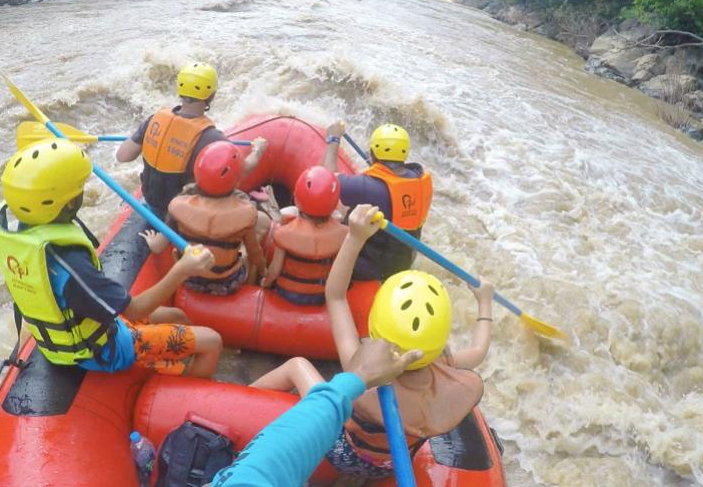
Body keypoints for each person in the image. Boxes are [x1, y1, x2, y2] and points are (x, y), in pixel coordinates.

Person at [0, 138, 223, 378]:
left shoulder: (24, 235)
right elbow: (134, 310)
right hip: (104, 349)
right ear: (71, 202)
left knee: (177, 317)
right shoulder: (72, 266)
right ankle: (188, 388)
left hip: (76, 332)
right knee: (213, 341)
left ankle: (169, 364)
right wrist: (182, 270)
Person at [322, 204, 493, 480]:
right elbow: (479, 350)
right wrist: (484, 301)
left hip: (343, 453)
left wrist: (355, 238)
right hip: (389, 466)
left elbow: (336, 296)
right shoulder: (443, 363)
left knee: (299, 367)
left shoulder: (357, 363)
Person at [211, 338, 423, 487]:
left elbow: (336, 297)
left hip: (340, 448)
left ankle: (239, 402)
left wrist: (359, 375)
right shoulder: (443, 397)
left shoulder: (353, 352)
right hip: (383, 466)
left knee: (297, 365)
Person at [115, 62, 267, 216]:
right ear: (211, 95)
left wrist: (146, 135)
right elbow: (242, 170)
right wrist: (259, 150)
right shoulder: (211, 137)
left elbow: (123, 156)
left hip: (151, 200)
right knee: (251, 206)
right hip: (181, 212)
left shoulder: (155, 120)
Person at [141, 142, 266, 296]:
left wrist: (152, 240)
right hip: (228, 283)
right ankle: (252, 289)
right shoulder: (247, 214)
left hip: (189, 280)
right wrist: (263, 270)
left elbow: (158, 247)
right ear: (237, 181)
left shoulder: (178, 206)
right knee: (246, 253)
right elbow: (255, 253)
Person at [322, 122, 433, 281]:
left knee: (328, 229)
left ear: (373, 153)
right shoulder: (422, 178)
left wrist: (333, 139)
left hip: (372, 267)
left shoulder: (366, 187)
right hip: (405, 260)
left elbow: (327, 180)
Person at [260, 166, 348, 306]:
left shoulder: (284, 233)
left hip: (287, 293)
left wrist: (265, 284)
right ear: (334, 204)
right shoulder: (345, 234)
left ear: (296, 200)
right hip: (321, 295)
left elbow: (274, 271)